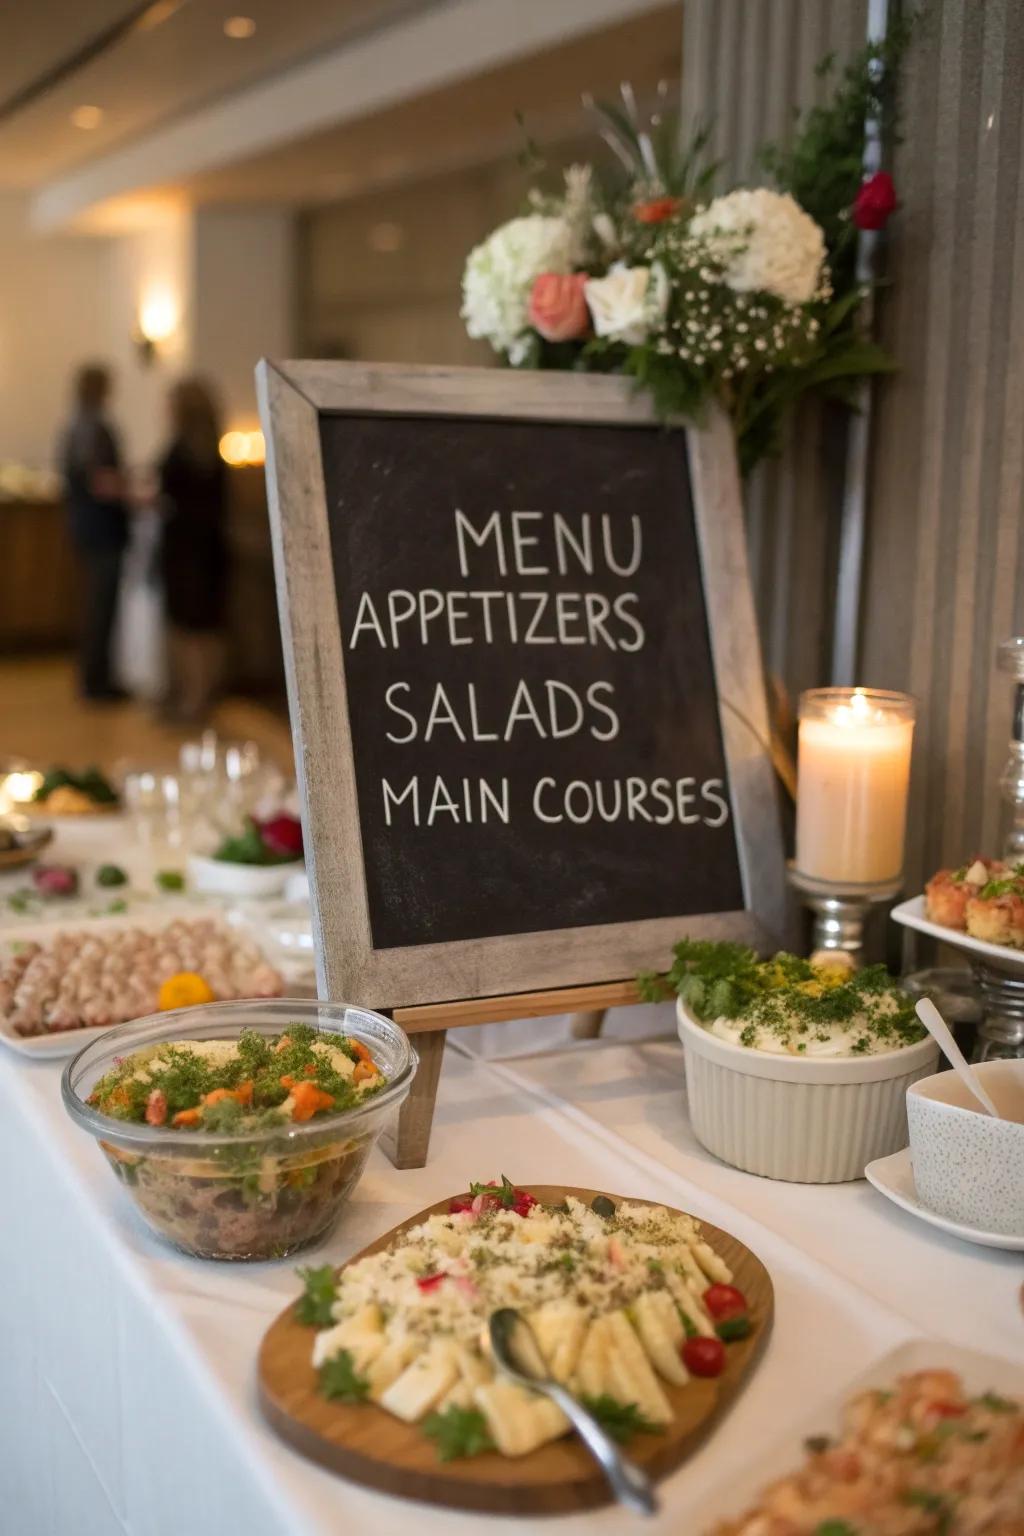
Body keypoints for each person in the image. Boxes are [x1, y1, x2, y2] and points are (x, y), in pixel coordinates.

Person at [157, 378, 230, 722]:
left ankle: (193, 698)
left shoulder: (185, 450)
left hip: (187, 551)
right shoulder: (211, 447)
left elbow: (179, 500)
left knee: (190, 628)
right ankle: (199, 695)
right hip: (206, 548)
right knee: (203, 627)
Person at [58, 363, 129, 700]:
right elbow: (98, 480)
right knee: (101, 606)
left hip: (86, 526)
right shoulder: (93, 428)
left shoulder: (76, 425)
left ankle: (94, 677)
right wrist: (129, 489)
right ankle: (96, 681)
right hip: (101, 529)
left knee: (96, 604)